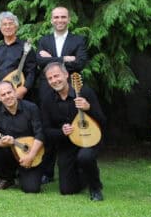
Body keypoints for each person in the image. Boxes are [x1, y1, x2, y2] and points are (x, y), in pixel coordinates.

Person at [35, 7, 89, 182]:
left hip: (70, 87)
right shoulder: (44, 40)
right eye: (56, 17)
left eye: (63, 17)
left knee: (73, 123)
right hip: (46, 88)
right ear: (51, 20)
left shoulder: (78, 40)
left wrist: (51, 59)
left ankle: (77, 166)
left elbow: (80, 63)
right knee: (48, 127)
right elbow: (40, 62)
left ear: (69, 19)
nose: (59, 20)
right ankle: (47, 172)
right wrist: (65, 59)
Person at [40, 63, 105, 201]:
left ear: (65, 75)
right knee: (67, 190)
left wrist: (89, 108)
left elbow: (102, 121)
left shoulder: (85, 92)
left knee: (85, 157)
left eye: (56, 76)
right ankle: (84, 174)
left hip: (89, 139)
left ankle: (95, 187)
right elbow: (46, 130)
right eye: (50, 78)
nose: (54, 80)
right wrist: (61, 132)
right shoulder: (47, 100)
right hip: (67, 143)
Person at [0, 81, 44, 193]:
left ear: (15, 92)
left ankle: (23, 175)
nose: (7, 96)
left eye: (9, 92)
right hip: (9, 153)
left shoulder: (31, 107)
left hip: (30, 152)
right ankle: (7, 178)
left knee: (32, 189)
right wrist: (4, 142)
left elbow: (40, 134)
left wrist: (31, 156)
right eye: (3, 95)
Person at [0, 12, 36, 101]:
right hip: (1, 94)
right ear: (0, 28)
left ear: (16, 27)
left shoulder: (25, 47)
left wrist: (24, 89)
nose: (7, 27)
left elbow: (32, 71)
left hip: (20, 94)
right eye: (4, 24)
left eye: (10, 24)